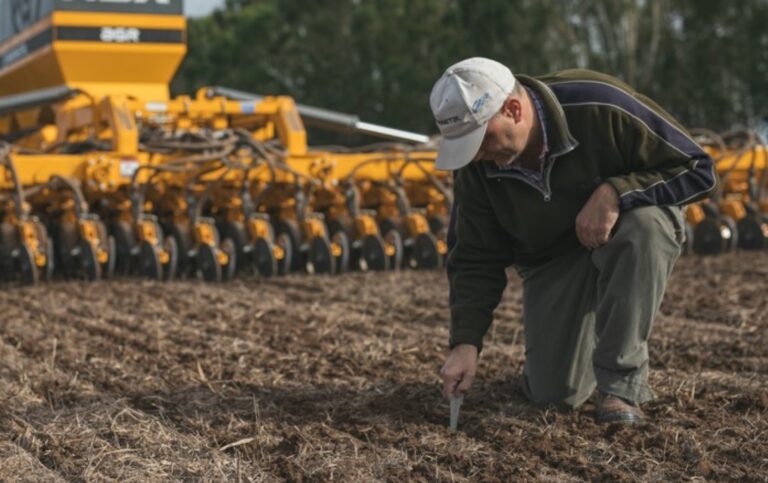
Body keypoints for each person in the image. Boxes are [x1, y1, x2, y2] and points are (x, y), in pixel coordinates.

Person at [431, 57, 717, 424]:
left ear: (513, 109)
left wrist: (617, 192)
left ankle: (620, 388)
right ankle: (574, 349)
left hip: (621, 232)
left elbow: (698, 168)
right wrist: (465, 343)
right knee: (554, 395)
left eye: (481, 140)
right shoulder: (476, 166)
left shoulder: (600, 105)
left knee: (645, 225)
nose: (477, 155)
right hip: (551, 260)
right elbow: (474, 256)